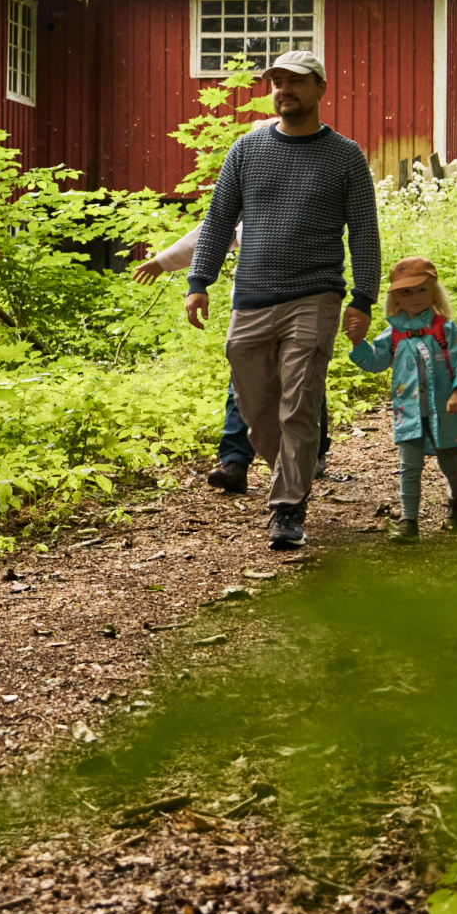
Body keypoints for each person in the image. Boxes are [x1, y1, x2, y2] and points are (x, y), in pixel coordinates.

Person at [183, 50, 384, 552]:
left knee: (299, 404)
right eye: (276, 81)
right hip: (252, 297)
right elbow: (219, 221)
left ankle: (288, 509)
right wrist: (198, 280)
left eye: (295, 81)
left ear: (320, 88)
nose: (283, 89)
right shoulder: (247, 150)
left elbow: (364, 232)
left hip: (315, 294)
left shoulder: (345, 156)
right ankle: (294, 468)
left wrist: (363, 297)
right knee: (257, 406)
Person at [131, 152, 328, 492]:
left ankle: (314, 451)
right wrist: (165, 263)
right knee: (243, 383)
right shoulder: (246, 201)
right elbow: (210, 233)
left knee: (304, 378)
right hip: (252, 306)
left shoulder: (312, 195)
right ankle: (235, 461)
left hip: (304, 302)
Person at [349, 256, 457, 541]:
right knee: (409, 466)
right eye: (406, 291)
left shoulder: (446, 329)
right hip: (408, 411)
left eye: (421, 290)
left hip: (445, 411)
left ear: (434, 293)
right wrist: (358, 344)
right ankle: (409, 521)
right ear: (395, 297)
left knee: (451, 464)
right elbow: (375, 362)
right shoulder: (393, 333)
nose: (414, 297)